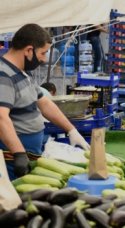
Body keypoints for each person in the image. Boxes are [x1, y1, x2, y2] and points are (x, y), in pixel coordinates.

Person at [0, 24, 90, 180]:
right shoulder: (3, 75)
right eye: (43, 53)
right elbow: (1, 118)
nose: (43, 59)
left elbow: (44, 102)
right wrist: (19, 153)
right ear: (28, 50)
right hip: (13, 159)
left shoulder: (23, 72)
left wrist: (71, 130)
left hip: (30, 153)